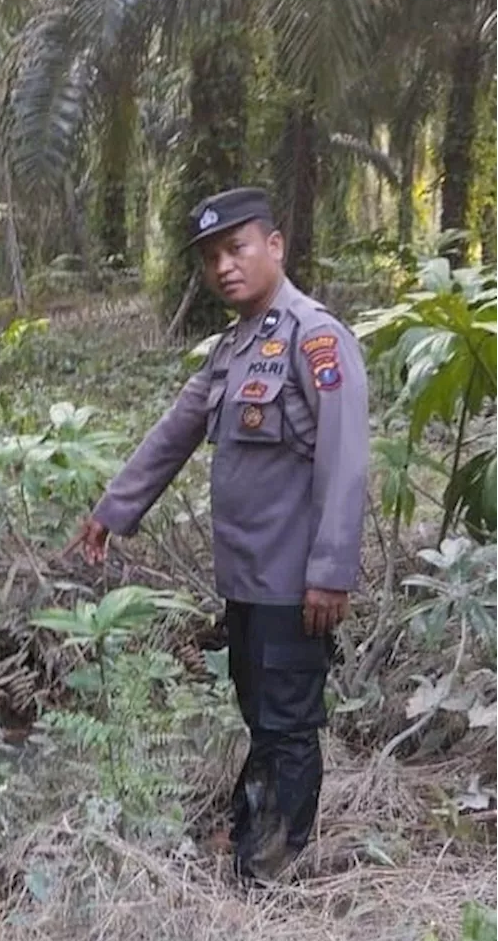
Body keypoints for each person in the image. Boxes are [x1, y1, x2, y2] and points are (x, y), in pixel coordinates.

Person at [73, 187, 369, 884]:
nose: (224, 267)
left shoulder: (315, 338)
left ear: (276, 246)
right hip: (245, 577)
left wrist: (331, 571)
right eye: (211, 258)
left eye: (236, 249)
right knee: (259, 710)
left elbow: (346, 458)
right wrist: (114, 509)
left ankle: (270, 864)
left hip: (295, 580)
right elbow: (175, 432)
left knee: (288, 724)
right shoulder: (236, 348)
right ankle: (249, 831)